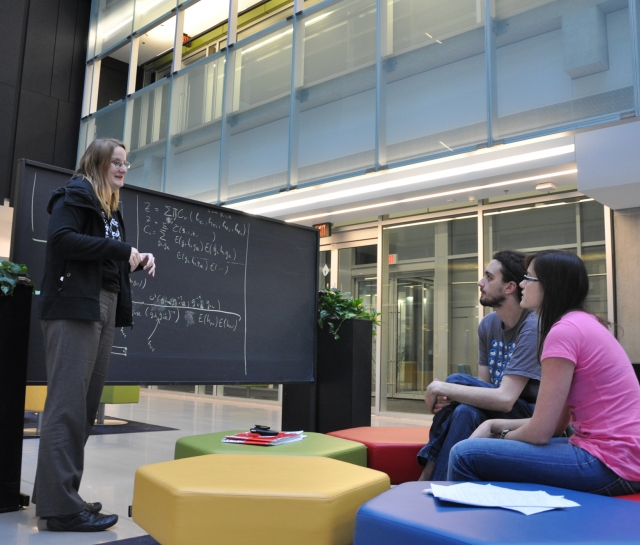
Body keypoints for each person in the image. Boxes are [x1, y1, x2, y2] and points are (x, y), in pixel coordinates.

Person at [33, 138, 156, 531]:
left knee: (83, 409)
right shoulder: (74, 195)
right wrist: (120, 250)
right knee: (66, 406)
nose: (122, 169)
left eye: (126, 164)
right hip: (75, 307)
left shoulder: (111, 209)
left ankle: (62, 495)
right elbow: (62, 241)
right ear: (97, 163)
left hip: (100, 303)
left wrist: (134, 261)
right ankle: (60, 509)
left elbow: (105, 257)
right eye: (116, 162)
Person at [448, 250, 640, 496]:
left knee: (465, 454)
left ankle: (466, 530)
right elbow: (556, 424)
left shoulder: (563, 333)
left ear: (550, 286)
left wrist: (501, 436)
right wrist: (492, 424)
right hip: (623, 458)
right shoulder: (581, 323)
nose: (522, 285)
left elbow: (539, 433)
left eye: (529, 279)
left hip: (610, 463)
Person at [417, 250, 540, 481]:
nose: (480, 282)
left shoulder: (532, 326)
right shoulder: (488, 325)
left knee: (454, 381)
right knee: (465, 410)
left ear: (510, 287)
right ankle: (440, 486)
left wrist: (442, 388)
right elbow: (483, 387)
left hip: (528, 413)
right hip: (499, 402)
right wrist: (456, 395)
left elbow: (505, 400)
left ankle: (428, 475)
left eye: (489, 277)